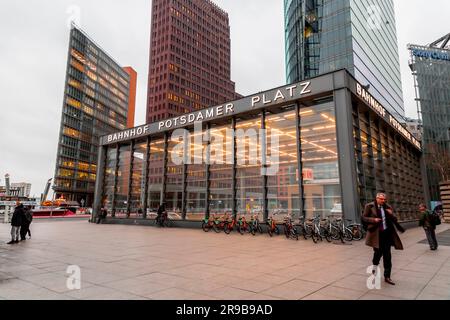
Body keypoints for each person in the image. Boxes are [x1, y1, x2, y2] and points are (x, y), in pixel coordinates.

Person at [362, 193, 405, 286]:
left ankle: (387, 276)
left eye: (385, 199)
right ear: (377, 198)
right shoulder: (369, 206)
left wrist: (391, 214)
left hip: (387, 234)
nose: (383, 201)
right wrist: (373, 220)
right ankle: (374, 266)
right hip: (376, 235)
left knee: (388, 256)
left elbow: (395, 219)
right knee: (377, 254)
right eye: (381, 199)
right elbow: (364, 218)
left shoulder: (387, 206)